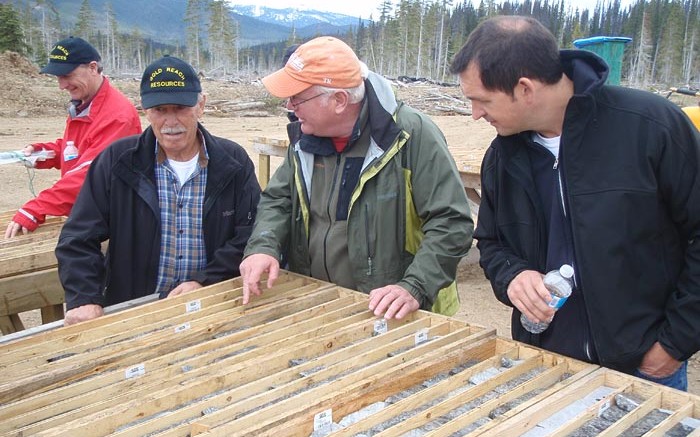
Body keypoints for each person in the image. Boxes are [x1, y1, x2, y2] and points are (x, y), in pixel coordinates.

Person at [450, 15, 700, 390]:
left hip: (643, 366)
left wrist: (674, 343)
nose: (475, 114)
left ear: (525, 89)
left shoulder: (651, 126)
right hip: (545, 362)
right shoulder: (503, 157)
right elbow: (492, 243)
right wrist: (513, 276)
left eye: (481, 100)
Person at [240, 36, 473, 320]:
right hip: (319, 302)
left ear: (339, 100)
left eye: (298, 98)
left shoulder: (411, 134)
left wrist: (414, 286)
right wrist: (263, 246)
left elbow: (451, 222)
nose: (289, 106)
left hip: (390, 312)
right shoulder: (305, 137)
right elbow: (278, 199)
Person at [55, 56, 261, 325]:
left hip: (212, 304)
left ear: (201, 105)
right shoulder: (117, 160)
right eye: (160, 109)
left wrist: (205, 280)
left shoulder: (232, 160)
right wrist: (84, 298)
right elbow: (78, 237)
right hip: (137, 307)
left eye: (180, 108)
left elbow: (250, 234)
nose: (170, 121)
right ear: (145, 110)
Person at [4, 36, 142, 238]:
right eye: (58, 77)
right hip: (90, 211)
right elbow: (77, 148)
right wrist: (44, 153)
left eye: (67, 75)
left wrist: (36, 208)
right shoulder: (85, 104)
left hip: (109, 222)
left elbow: (92, 173)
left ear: (93, 68)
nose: (62, 85)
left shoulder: (118, 116)